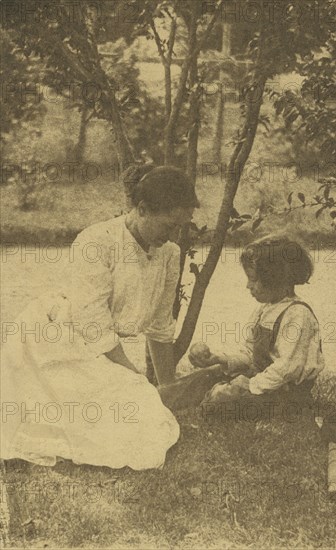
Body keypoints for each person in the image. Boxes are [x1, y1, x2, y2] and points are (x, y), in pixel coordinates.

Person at [1, 165, 198, 469]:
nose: (174, 235)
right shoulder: (97, 241)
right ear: (142, 209)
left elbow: (160, 326)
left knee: (143, 411)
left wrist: (166, 386)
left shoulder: (169, 254)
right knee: (121, 414)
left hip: (94, 353)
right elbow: (92, 324)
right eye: (169, 225)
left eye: (181, 228)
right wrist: (135, 377)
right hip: (54, 341)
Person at [188, 235, 325, 421]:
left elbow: (287, 368)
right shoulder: (265, 309)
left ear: (277, 279)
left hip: (283, 395)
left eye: (253, 280)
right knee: (205, 376)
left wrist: (250, 385)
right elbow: (250, 352)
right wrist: (219, 359)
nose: (248, 286)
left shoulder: (297, 315)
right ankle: (162, 398)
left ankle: (199, 407)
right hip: (262, 381)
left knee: (220, 399)